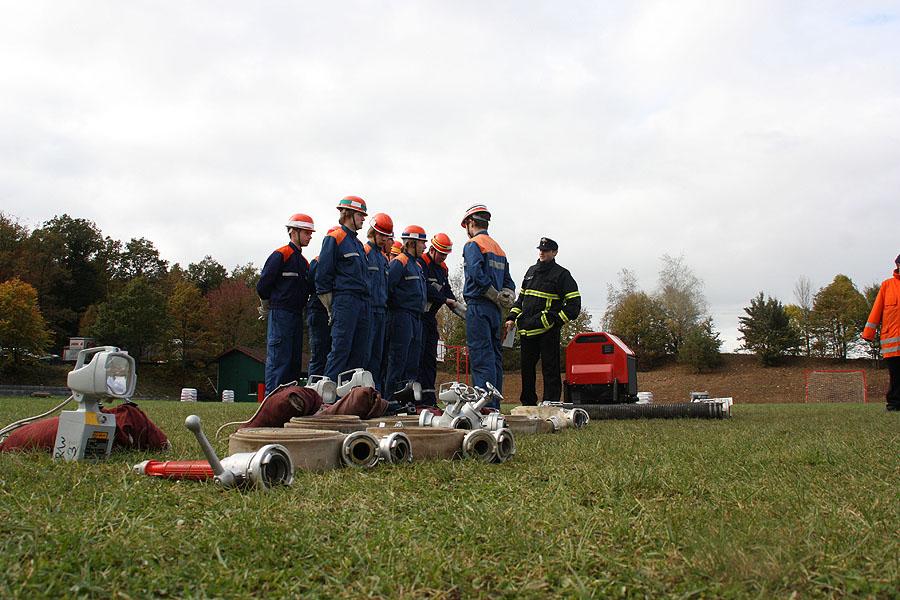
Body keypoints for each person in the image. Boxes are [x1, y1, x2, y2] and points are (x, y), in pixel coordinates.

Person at [504, 237, 581, 405]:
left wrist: (555, 321)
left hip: (548, 331)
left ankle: (551, 403)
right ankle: (528, 404)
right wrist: (511, 318)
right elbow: (521, 299)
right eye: (540, 250)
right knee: (526, 370)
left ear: (555, 252)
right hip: (526, 330)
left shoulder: (562, 274)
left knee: (550, 369)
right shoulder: (531, 271)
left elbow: (574, 305)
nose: (542, 253)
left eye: (546, 250)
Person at [460, 204, 515, 408]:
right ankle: (494, 407)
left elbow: (476, 274)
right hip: (495, 311)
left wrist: (492, 294)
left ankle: (484, 408)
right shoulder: (498, 248)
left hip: (479, 306)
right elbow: (508, 281)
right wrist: (506, 296)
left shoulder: (473, 245)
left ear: (470, 223)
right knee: (494, 358)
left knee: (481, 357)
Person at [257, 213, 314, 394]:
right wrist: (268, 305)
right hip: (280, 313)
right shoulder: (281, 255)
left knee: (293, 362)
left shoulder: (304, 263)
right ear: (293, 232)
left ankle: (288, 400)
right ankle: (272, 400)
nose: (310, 236)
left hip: (296, 314)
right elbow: (263, 285)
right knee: (279, 359)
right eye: (306, 232)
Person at [315, 196, 371, 382]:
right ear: (348, 214)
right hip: (345, 300)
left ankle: (350, 394)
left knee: (359, 353)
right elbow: (323, 274)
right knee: (340, 350)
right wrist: (330, 305)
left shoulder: (358, 244)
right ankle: (328, 394)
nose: (363, 219)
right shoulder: (335, 238)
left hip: (362, 302)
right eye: (360, 215)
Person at [384, 225, 428, 400]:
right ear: (411, 243)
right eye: (422, 243)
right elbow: (387, 289)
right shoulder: (399, 262)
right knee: (398, 359)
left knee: (412, 362)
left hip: (416, 318)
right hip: (401, 316)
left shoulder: (416, 265)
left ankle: (406, 400)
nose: (424, 247)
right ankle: (390, 399)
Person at [417, 233, 459, 406]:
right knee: (417, 357)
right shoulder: (421, 263)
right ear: (432, 250)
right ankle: (415, 398)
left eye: (446, 255)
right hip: (418, 317)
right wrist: (444, 300)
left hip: (430, 318)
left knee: (430, 358)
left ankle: (428, 399)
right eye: (441, 254)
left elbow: (446, 288)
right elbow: (424, 288)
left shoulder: (443, 268)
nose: (443, 257)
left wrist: (455, 302)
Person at [861, 253, 900, 411]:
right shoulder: (887, 285)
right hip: (892, 342)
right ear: (897, 265)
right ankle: (894, 405)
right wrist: (868, 333)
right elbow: (876, 310)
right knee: (896, 376)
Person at [364, 213, 394, 392]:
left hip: (382, 311)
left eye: (386, 236)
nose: (384, 239)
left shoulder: (383, 259)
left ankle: (376, 395)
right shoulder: (365, 252)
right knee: (366, 355)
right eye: (381, 235)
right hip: (368, 310)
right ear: (373, 232)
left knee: (378, 357)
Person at [306, 226, 340, 378]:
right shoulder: (317, 262)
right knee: (319, 355)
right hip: (319, 311)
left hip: (331, 311)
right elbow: (313, 285)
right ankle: (314, 388)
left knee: (331, 353)